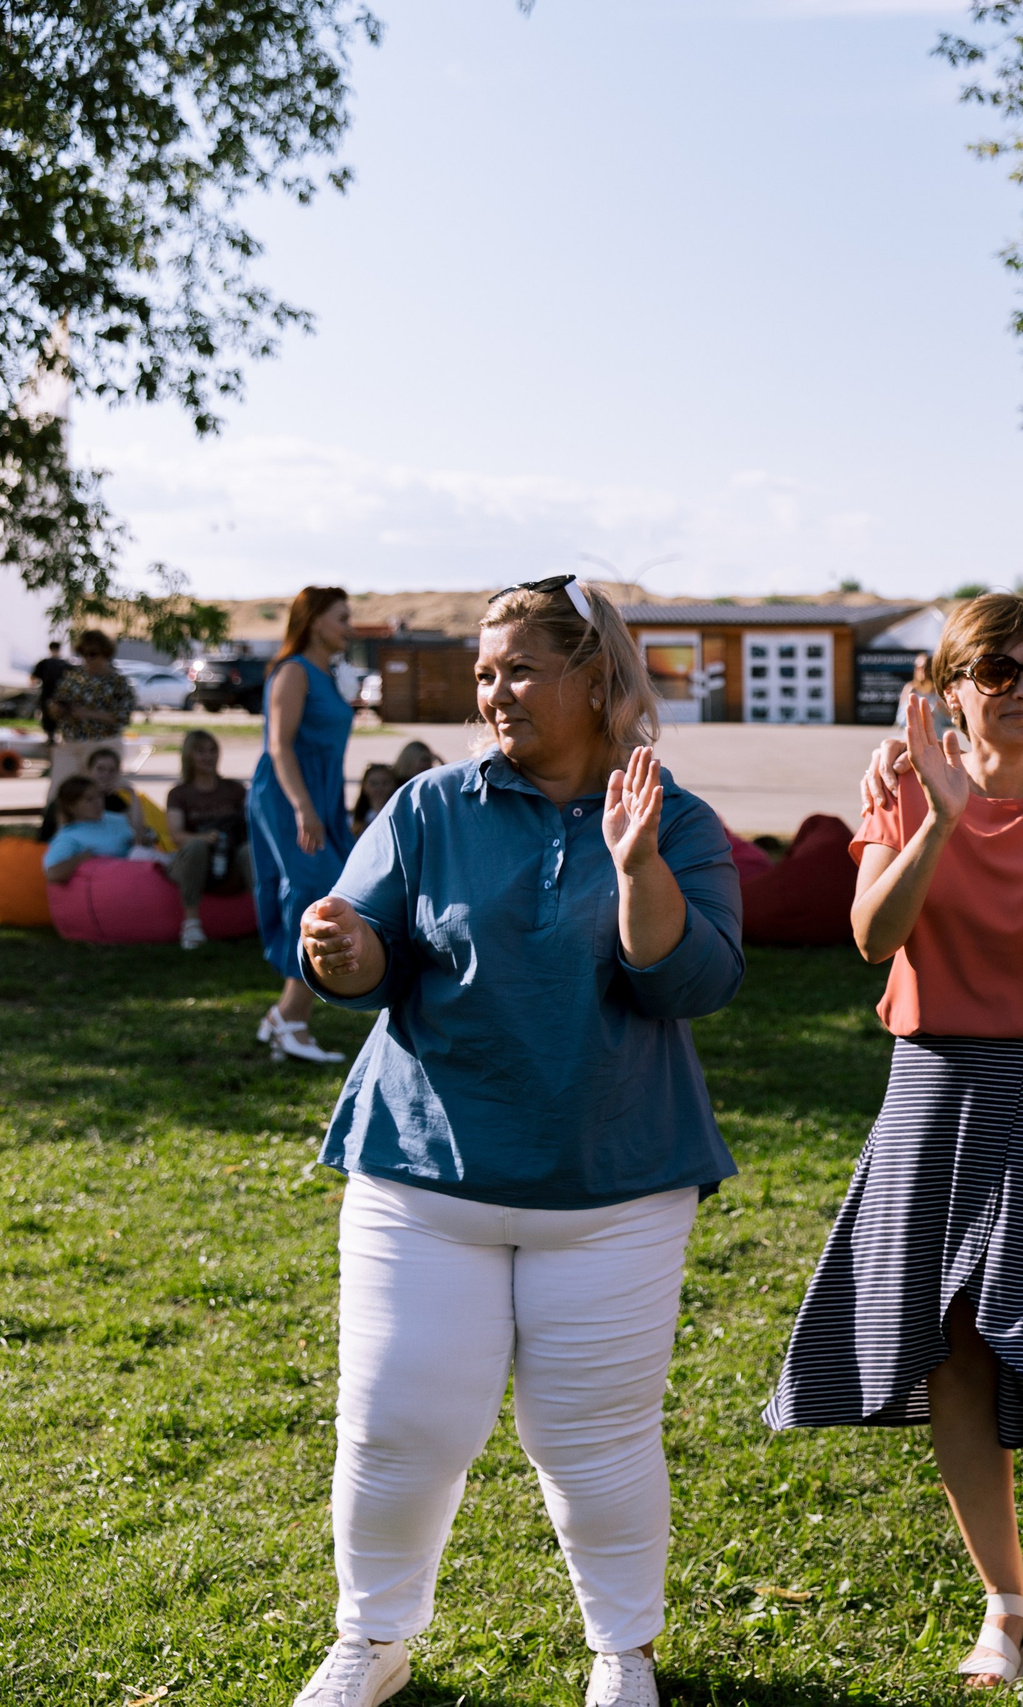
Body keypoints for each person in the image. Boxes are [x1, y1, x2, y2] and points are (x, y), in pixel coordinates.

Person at [287, 574, 743, 1707]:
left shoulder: (675, 820)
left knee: (594, 1444)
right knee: (399, 1426)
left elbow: (690, 983)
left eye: (520, 668)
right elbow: (369, 953)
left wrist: (637, 870)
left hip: (613, 1189)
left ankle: (621, 1655)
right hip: (423, 1174)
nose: (495, 691)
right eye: (485, 672)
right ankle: (371, 1640)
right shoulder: (433, 806)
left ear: (598, 678)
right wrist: (341, 956)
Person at [767, 593, 1023, 1685]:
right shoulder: (902, 788)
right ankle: (1006, 1601)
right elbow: (870, 935)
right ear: (951, 689)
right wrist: (935, 819)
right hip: (933, 1085)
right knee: (954, 1349)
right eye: (1002, 673)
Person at [249, 587, 358, 1066]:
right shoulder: (293, 672)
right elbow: (279, 745)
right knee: (317, 891)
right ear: (315, 621)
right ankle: (291, 1021)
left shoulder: (328, 675)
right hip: (289, 795)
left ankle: (283, 1018)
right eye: (342, 618)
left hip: (322, 798)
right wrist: (301, 807)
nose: (349, 627)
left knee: (334, 893)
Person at [165, 729, 250, 949]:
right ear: (188, 756)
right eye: (200, 751)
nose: (208, 757)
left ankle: (270, 920)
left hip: (231, 860)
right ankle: (191, 924)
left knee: (251, 850)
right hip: (194, 863)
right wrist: (203, 837)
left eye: (212, 751)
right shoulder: (179, 793)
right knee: (195, 846)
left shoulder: (234, 789)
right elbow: (176, 836)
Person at [45, 629, 136, 784]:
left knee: (101, 792)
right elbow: (56, 702)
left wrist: (87, 713)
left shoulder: (117, 682)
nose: (87, 659)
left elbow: (123, 717)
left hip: (102, 745)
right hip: (71, 742)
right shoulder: (73, 678)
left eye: (92, 654)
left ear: (105, 654)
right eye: (83, 654)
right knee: (60, 791)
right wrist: (56, 709)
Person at [41, 775, 134, 882]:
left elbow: (140, 835)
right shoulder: (69, 836)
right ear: (72, 807)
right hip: (112, 886)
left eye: (99, 796)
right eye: (89, 800)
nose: (98, 803)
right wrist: (82, 858)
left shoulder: (115, 819)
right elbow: (52, 873)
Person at [31, 640, 70, 746]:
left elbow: (33, 679)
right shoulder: (64, 664)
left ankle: (51, 735)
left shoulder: (44, 663)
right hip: (59, 694)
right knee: (55, 716)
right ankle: (54, 736)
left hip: (49, 694)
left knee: (49, 716)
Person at [351, 764, 403, 837]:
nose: (380, 788)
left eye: (385, 783)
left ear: (394, 785)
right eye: (374, 783)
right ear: (364, 786)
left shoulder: (402, 817)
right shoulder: (351, 819)